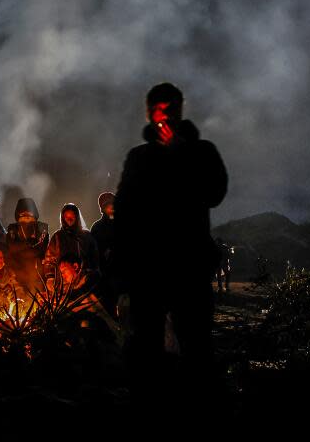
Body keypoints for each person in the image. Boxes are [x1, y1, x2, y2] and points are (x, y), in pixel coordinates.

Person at [114, 82, 228, 408]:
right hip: (148, 271)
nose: (166, 118)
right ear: (150, 114)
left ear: (181, 110)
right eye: (160, 112)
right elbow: (124, 212)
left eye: (172, 111)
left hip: (189, 267)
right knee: (146, 347)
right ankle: (150, 406)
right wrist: (125, 268)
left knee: (196, 344)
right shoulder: (138, 158)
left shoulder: (202, 152)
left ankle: (199, 406)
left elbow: (215, 193)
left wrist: (182, 155)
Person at [44, 203, 100, 289]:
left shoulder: (87, 237)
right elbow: (49, 259)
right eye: (66, 216)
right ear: (63, 218)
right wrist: (50, 277)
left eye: (72, 216)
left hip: (84, 284)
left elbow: (94, 260)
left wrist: (87, 274)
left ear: (77, 217)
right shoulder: (57, 237)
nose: (69, 219)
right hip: (62, 284)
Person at [5, 197, 49, 291]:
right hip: (17, 274)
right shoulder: (13, 229)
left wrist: (21, 248)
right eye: (23, 212)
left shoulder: (42, 228)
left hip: (37, 275)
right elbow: (12, 248)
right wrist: (29, 244)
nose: (26, 215)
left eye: (29, 212)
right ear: (18, 214)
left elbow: (40, 249)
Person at [91, 191, 119, 314]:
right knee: (109, 309)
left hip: (124, 276)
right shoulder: (97, 228)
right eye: (108, 205)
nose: (112, 207)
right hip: (106, 278)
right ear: (102, 208)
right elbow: (94, 253)